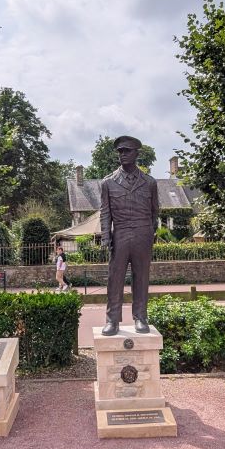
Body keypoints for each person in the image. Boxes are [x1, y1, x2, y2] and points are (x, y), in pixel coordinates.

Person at [100, 135, 159, 336]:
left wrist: (150, 233)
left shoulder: (150, 183)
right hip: (121, 233)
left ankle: (141, 317)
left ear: (136, 154)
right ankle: (112, 320)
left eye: (127, 151)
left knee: (141, 277)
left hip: (143, 233)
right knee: (115, 278)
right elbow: (105, 212)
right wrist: (106, 236)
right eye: (120, 152)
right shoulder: (108, 183)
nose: (123, 155)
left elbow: (154, 212)